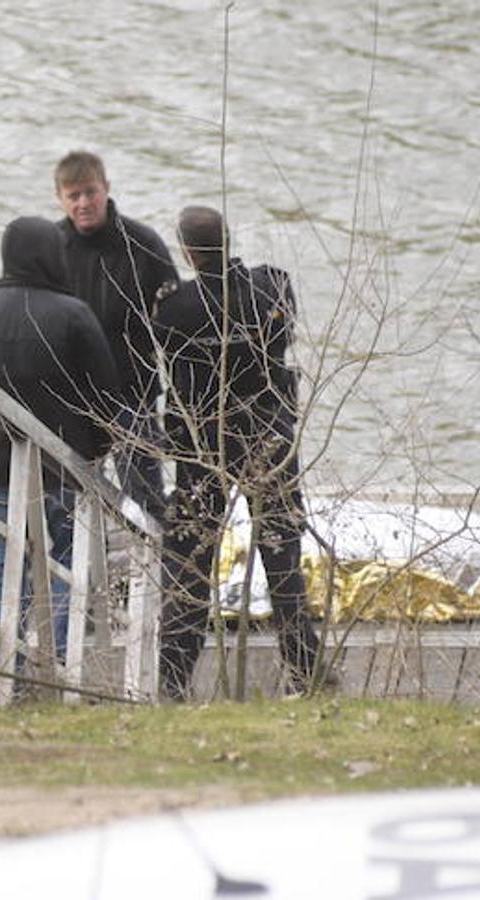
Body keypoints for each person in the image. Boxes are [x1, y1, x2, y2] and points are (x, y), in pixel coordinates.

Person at [152, 205, 322, 701]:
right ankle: (304, 671)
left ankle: (173, 682)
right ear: (228, 238)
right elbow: (283, 334)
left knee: (191, 561)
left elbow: (165, 355)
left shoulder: (175, 306)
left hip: (204, 443)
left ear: (186, 251)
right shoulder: (273, 287)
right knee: (282, 552)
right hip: (267, 434)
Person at [0, 216, 120, 667]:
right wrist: (96, 453)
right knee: (65, 560)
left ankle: (2, 661)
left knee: (6, 563)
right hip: (63, 465)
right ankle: (61, 661)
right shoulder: (74, 316)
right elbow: (106, 397)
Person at [53, 151, 179, 524]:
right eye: (73, 196)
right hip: (74, 395)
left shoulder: (142, 244)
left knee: (145, 501)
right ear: (60, 198)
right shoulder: (52, 246)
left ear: (106, 188)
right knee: (70, 499)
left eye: (90, 192)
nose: (83, 203)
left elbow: (176, 317)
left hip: (132, 392)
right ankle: (84, 575)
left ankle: (155, 569)